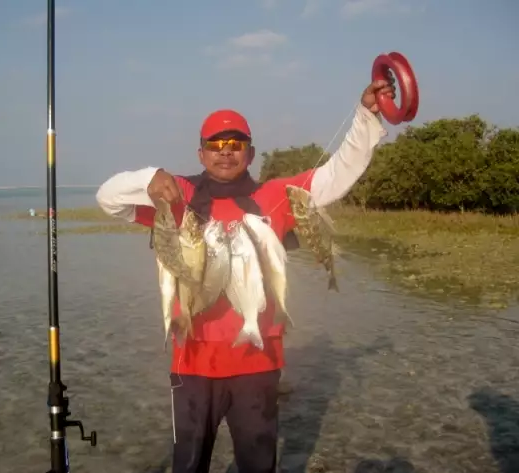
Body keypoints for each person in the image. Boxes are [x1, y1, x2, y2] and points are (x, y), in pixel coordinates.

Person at [95, 79, 394, 473]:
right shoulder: (176, 195)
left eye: (235, 144)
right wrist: (148, 176)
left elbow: (337, 174)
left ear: (250, 152)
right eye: (216, 145)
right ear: (200, 153)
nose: (226, 152)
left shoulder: (276, 195)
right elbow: (108, 199)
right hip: (193, 363)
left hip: (257, 363)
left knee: (257, 465)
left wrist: (366, 115)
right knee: (188, 464)